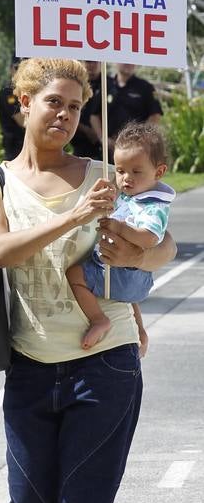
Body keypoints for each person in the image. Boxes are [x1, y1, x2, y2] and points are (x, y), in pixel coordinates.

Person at [0, 58, 175, 503]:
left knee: (86, 500)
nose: (65, 115)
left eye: (77, 106)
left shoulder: (109, 176)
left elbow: (163, 246)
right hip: (30, 361)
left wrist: (135, 244)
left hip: (105, 361)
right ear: (22, 103)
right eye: (53, 101)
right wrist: (78, 217)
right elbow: (0, 250)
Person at [67, 121, 175, 354]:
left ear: (159, 172)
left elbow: (149, 238)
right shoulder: (130, 196)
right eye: (120, 170)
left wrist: (120, 228)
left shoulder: (153, 205)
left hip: (128, 275)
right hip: (125, 276)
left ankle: (98, 319)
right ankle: (138, 327)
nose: (126, 178)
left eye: (136, 172)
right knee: (123, 297)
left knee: (75, 274)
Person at [90, 62, 163, 161]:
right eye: (124, 60)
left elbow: (155, 116)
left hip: (135, 149)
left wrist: (141, 140)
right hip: (110, 149)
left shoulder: (145, 87)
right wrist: (103, 139)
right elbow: (94, 116)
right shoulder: (106, 85)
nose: (128, 63)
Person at [70, 60, 113, 160]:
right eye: (88, 62)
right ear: (82, 62)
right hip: (80, 143)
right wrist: (86, 130)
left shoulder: (109, 84)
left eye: (95, 62)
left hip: (104, 145)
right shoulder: (75, 83)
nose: (92, 65)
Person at [0, 55, 25, 159]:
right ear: (11, 69)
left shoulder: (29, 91)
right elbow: (23, 121)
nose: (21, 72)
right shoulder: (8, 92)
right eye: (17, 68)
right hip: (15, 148)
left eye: (25, 69)